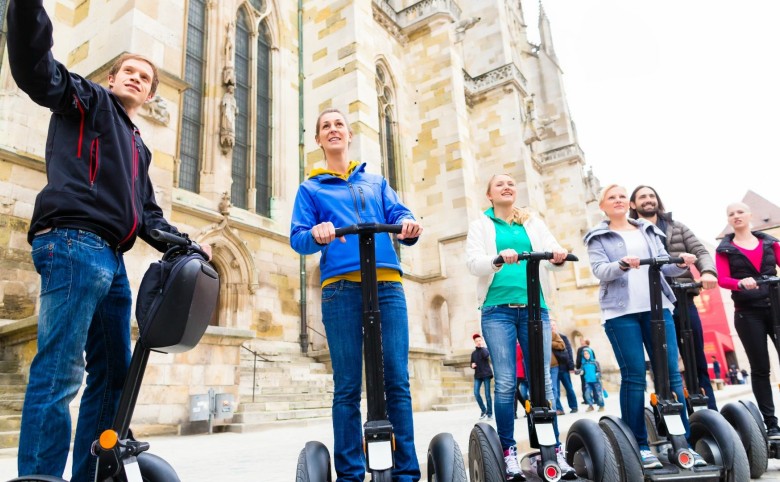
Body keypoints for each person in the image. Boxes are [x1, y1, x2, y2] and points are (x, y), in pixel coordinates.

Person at [5, 2, 200, 481]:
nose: (136, 78)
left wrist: (187, 244)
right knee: (61, 369)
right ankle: (39, 476)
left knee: (115, 375)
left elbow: (148, 214)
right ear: (112, 79)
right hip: (72, 243)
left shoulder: (138, 143)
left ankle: (89, 475)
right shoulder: (86, 99)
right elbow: (37, 69)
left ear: (152, 92)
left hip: (111, 258)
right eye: (128, 71)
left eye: (145, 77)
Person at [290, 108, 423, 481]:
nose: (333, 130)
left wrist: (409, 225)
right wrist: (317, 233)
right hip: (341, 289)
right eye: (325, 127)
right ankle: (350, 474)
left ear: (349, 136)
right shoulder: (311, 188)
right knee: (347, 385)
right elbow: (297, 238)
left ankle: (406, 472)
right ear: (319, 140)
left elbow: (401, 217)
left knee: (397, 379)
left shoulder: (376, 183)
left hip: (386, 285)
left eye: (339, 125)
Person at [584, 184, 703, 470]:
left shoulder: (649, 231)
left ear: (630, 203)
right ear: (602, 206)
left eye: (622, 197)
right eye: (611, 198)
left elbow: (665, 266)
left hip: (658, 308)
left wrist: (682, 262)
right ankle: (639, 444)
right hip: (621, 312)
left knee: (672, 374)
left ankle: (681, 442)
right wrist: (622, 265)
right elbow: (600, 270)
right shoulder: (598, 236)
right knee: (635, 375)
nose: (618, 201)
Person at [466, 173, 576, 480]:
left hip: (535, 309)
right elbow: (473, 263)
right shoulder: (481, 225)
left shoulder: (532, 222)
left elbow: (555, 252)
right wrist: (498, 259)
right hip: (497, 310)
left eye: (511, 183)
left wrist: (558, 255)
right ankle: (507, 451)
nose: (506, 186)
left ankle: (551, 450)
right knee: (504, 383)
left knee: (543, 380)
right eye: (499, 183)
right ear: (489, 194)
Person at [629, 185, 719, 410]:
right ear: (633, 204)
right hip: (652, 303)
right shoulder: (630, 231)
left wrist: (707, 271)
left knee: (696, 359)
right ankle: (672, 416)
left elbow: (701, 252)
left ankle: (711, 415)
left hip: (682, 298)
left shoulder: (676, 227)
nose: (648, 200)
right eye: (642, 197)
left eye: (651, 196)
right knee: (663, 364)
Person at [716, 201, 780, 438]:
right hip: (747, 312)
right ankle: (771, 424)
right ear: (729, 220)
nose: (736, 216)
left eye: (740, 211)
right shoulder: (725, 249)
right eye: (731, 213)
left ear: (750, 215)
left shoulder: (770, 243)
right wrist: (740, 283)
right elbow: (723, 279)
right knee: (760, 368)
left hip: (776, 305)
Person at [552, 321, 578, 414]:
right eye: (550, 325)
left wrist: (571, 366)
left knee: (569, 388)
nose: (552, 327)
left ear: (556, 326)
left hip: (564, 367)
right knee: (556, 389)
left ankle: (574, 406)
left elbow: (569, 351)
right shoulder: (548, 337)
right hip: (554, 368)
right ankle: (559, 409)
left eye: (554, 325)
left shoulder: (562, 337)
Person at [471, 333, 494, 420]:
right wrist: (472, 365)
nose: (478, 342)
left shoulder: (485, 350)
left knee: (487, 395)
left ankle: (490, 414)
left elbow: (486, 355)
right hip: (478, 375)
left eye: (479, 340)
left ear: (482, 341)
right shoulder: (473, 353)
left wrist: (482, 346)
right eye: (476, 341)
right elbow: (472, 362)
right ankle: (484, 410)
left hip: (486, 374)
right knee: (476, 393)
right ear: (474, 342)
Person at [550, 324, 567, 416]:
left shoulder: (553, 334)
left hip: (553, 366)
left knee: (553, 388)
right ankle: (556, 408)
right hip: (541, 366)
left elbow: (562, 345)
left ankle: (553, 409)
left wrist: (550, 342)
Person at [514, 342, 530, 419]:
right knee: (518, 393)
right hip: (513, 373)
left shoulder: (518, 346)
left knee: (514, 391)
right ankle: (527, 409)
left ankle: (514, 413)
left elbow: (521, 357)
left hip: (519, 372)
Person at [575, 338, 593, 402]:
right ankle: (594, 398)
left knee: (584, 384)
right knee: (592, 383)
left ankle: (586, 399)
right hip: (591, 369)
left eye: (582, 341)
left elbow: (578, 360)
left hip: (583, 369)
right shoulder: (591, 349)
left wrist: (578, 368)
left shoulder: (580, 349)